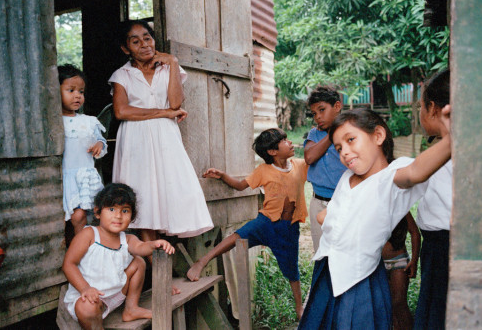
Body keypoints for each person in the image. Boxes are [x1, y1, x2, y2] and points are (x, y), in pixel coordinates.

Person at [298, 108, 451, 329]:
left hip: (359, 279)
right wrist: (332, 219)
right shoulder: (347, 178)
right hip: (327, 272)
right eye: (339, 148)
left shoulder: (391, 177)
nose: (345, 152)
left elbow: (416, 171)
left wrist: (451, 138)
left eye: (351, 140)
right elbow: (330, 214)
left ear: (378, 136)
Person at [187, 128, 308, 319]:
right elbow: (239, 186)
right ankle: (202, 261)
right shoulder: (263, 170)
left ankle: (299, 307)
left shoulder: (300, 165)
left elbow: (316, 160)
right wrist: (222, 175)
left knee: (292, 270)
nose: (290, 142)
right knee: (236, 237)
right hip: (266, 222)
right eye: (284, 140)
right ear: (272, 152)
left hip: (289, 229)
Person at [109, 20, 213, 244]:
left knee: (173, 190)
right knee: (142, 195)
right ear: (125, 49)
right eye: (135, 41)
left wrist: (173, 62)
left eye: (147, 38)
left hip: (166, 138)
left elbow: (175, 103)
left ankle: (162, 260)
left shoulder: (169, 68)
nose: (144, 44)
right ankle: (156, 266)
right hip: (135, 140)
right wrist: (164, 112)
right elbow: (121, 111)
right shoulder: (122, 75)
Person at [62, 183, 175, 329]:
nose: (118, 216)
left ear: (132, 216)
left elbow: (141, 247)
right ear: (97, 212)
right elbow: (68, 264)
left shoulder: (126, 239)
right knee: (86, 309)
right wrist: (85, 288)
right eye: (111, 209)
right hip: (90, 296)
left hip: (116, 293)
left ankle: (131, 308)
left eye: (125, 211)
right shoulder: (89, 234)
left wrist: (155, 244)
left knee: (139, 263)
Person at [414, 69, 452, 330]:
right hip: (436, 246)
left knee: (439, 313)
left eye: (420, 106)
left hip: (445, 247)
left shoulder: (445, 153)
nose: (419, 113)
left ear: (433, 108)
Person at [59, 64, 107, 243]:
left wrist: (99, 145)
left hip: (84, 177)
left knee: (81, 217)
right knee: (69, 220)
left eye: (81, 91)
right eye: (70, 90)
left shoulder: (88, 121)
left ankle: (85, 252)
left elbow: (100, 140)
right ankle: (75, 253)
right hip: (65, 179)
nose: (77, 95)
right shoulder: (54, 122)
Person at [304, 86, 347, 252]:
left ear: (337, 106)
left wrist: (338, 130)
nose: (318, 117)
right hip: (318, 202)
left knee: (343, 250)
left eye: (322, 110)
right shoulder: (314, 134)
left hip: (343, 201)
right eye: (314, 113)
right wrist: (332, 134)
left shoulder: (350, 132)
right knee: (321, 252)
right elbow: (309, 157)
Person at [382, 212, 421, 330]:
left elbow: (415, 233)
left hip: (398, 261)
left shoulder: (400, 204)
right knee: (387, 305)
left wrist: (414, 261)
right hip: (377, 264)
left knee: (399, 302)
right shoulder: (371, 204)